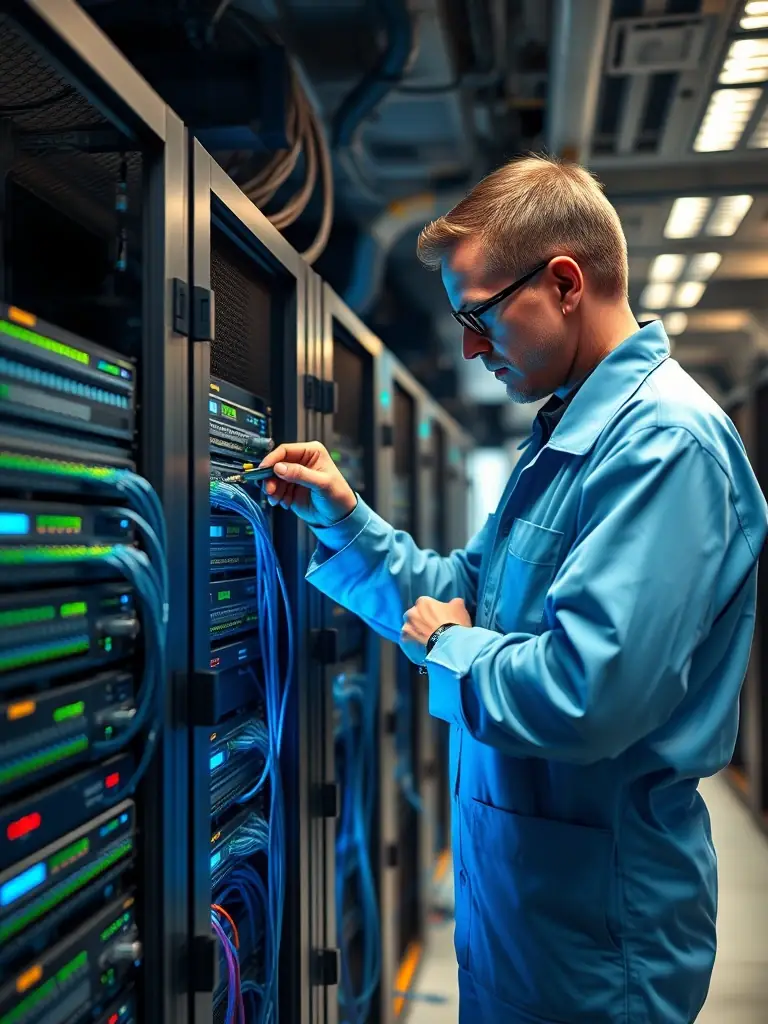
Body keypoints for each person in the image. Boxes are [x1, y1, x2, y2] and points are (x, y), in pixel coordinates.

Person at [258, 155, 768, 1023]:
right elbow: (469, 589)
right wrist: (346, 519)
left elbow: (587, 691)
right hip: (525, 909)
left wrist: (445, 645)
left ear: (565, 282)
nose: (468, 345)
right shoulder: (565, 434)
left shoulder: (665, 447)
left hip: (599, 938)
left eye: (481, 314)